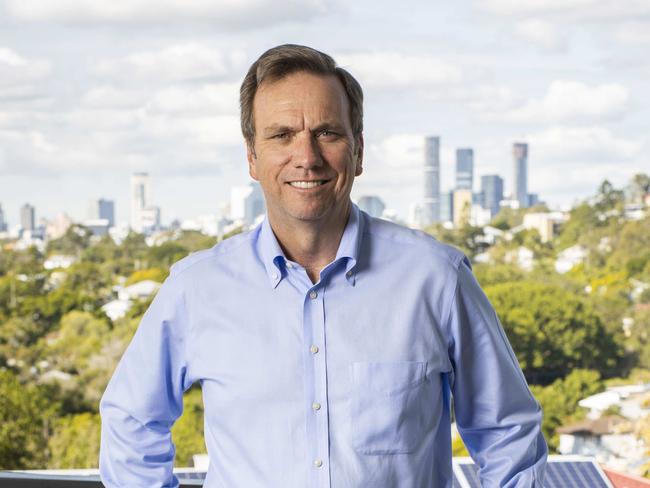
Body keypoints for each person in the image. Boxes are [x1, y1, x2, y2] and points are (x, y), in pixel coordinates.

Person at [99, 44, 547, 487]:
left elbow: (508, 436)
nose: (307, 157)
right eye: (281, 135)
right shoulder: (196, 288)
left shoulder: (436, 279)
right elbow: (130, 424)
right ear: (252, 156)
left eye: (327, 133)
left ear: (359, 150)